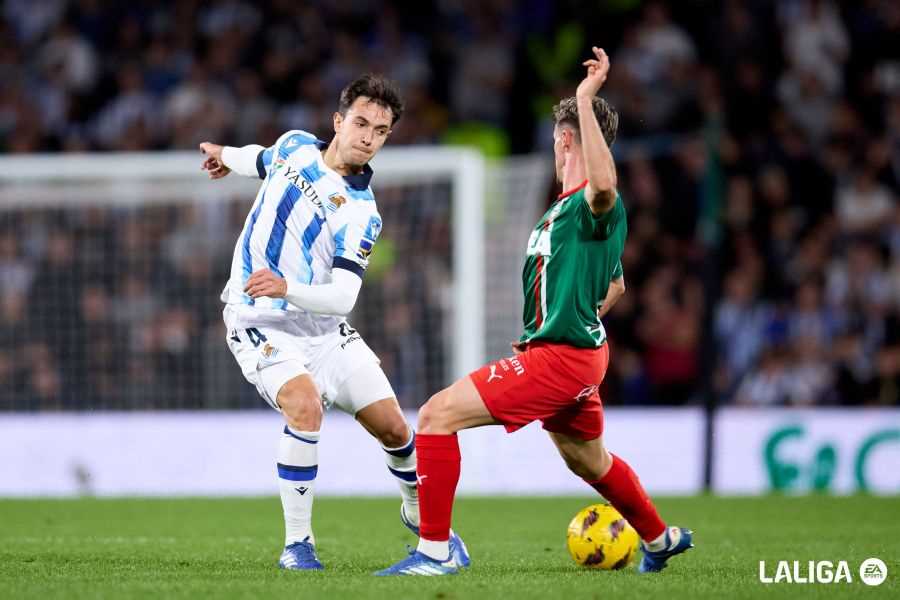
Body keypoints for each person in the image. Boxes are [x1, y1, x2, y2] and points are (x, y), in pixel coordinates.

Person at [377, 48, 692, 577]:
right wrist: (575, 311)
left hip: (563, 358)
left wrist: (586, 100)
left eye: (556, 138)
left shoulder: (593, 204)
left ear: (564, 139)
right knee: (588, 460)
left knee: (435, 416)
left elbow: (607, 187)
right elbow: (615, 282)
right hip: (574, 352)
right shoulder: (565, 209)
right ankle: (659, 539)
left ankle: (434, 553)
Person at [199, 74, 469, 571]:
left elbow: (343, 298)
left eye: (381, 131)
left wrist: (287, 287)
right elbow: (259, 158)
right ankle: (297, 545)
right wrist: (224, 153)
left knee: (395, 431)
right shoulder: (296, 147)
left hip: (323, 332)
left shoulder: (362, 214)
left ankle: (416, 511)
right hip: (257, 320)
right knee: (304, 407)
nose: (368, 137)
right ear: (338, 121)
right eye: (362, 123)